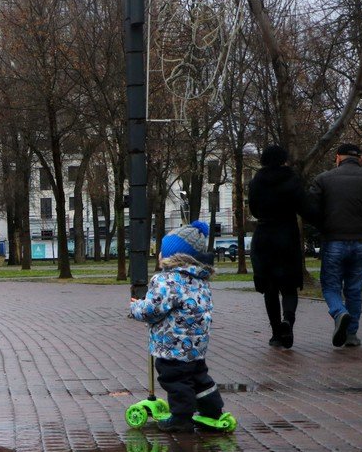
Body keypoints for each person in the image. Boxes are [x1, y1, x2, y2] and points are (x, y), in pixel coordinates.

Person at [129, 221, 226, 433]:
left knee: (174, 379)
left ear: (173, 255)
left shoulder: (167, 281)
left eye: (162, 250)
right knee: (199, 377)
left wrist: (136, 308)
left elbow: (152, 310)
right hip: (196, 344)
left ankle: (181, 416)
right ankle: (213, 409)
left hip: (172, 344)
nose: (159, 254)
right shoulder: (199, 280)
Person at [306, 142, 362, 348]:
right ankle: (351, 334)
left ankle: (339, 312)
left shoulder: (323, 180)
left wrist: (324, 227)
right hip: (361, 242)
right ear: (360, 158)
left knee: (330, 285)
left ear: (338, 158)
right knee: (354, 289)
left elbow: (310, 209)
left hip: (333, 240)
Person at [248, 145, 306, 348]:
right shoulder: (292, 179)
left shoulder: (257, 181)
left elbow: (253, 209)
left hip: (264, 236)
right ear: (284, 159)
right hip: (287, 235)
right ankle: (287, 320)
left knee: (269, 288)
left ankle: (275, 334)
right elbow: (303, 205)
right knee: (289, 286)